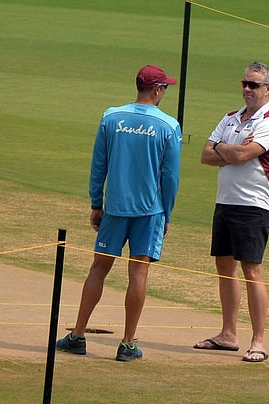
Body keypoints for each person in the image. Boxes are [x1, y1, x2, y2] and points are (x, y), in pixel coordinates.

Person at [57, 65, 182, 361]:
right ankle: (127, 344)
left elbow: (98, 164)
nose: (164, 92)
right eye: (164, 88)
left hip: (114, 207)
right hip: (150, 212)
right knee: (138, 273)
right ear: (156, 89)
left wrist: (95, 203)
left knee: (98, 269)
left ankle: (78, 334)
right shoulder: (169, 126)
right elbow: (170, 177)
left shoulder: (111, 117)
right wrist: (167, 213)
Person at [195, 61, 269, 362]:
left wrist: (223, 147)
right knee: (224, 266)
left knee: (251, 270)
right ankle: (228, 334)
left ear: (267, 89)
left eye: (253, 85)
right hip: (226, 201)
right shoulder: (231, 117)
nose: (247, 89)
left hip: (254, 205)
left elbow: (246, 153)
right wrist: (228, 150)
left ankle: (258, 341)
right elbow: (205, 156)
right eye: (244, 83)